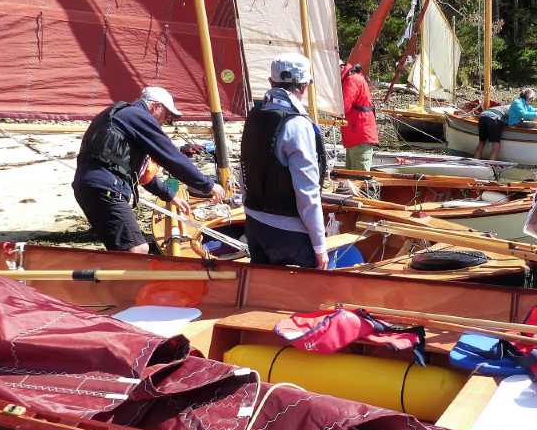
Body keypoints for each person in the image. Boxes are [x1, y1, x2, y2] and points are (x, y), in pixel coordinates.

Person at [73, 87, 226, 253]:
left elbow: (142, 174)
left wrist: (169, 195)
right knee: (137, 248)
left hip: (90, 188)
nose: (166, 120)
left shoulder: (123, 114)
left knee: (120, 250)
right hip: (105, 190)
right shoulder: (138, 116)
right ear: (155, 107)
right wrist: (207, 185)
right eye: (167, 115)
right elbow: (170, 156)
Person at [239, 53, 328, 270]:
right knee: (305, 299)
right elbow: (307, 192)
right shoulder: (298, 125)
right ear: (305, 86)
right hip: (289, 234)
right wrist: (320, 247)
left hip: (255, 225)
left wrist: (250, 213)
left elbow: (244, 174)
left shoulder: (254, 116)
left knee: (263, 290)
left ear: (271, 82)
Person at [339, 60, 379, 171]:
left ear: (340, 68)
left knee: (359, 179)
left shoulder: (352, 80)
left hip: (360, 136)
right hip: (355, 137)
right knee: (351, 178)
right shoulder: (349, 78)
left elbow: (344, 108)